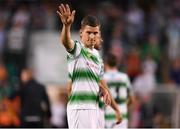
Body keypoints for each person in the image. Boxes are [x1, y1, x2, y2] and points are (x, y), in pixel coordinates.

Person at [57, 4, 121, 128]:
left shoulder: (97, 57)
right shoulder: (77, 50)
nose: (92, 36)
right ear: (81, 33)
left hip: (94, 108)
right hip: (79, 108)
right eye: (88, 32)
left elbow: (95, 82)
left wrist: (103, 90)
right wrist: (66, 26)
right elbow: (66, 42)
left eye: (95, 33)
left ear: (98, 34)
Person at [103, 53, 135, 128]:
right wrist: (123, 105)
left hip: (107, 115)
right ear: (117, 63)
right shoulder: (124, 77)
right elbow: (132, 99)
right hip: (122, 115)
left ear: (105, 63)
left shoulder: (103, 78)